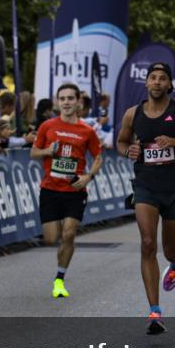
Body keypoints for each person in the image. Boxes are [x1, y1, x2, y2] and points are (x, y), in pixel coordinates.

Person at [116, 63, 175, 334]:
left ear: (170, 85)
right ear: (146, 83)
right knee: (147, 243)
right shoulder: (132, 114)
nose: (157, 82)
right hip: (146, 186)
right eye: (152, 78)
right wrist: (128, 151)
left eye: (162, 78)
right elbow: (121, 142)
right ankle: (154, 312)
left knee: (169, 250)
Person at [32, 83, 103, 302]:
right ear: (57, 101)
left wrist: (88, 176)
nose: (66, 102)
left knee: (69, 234)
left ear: (78, 101)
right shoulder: (47, 126)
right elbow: (34, 153)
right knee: (51, 238)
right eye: (62, 98)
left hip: (74, 189)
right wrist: (47, 151)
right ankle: (62, 254)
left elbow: (98, 157)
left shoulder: (87, 130)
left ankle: (59, 278)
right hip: (50, 189)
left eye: (70, 98)